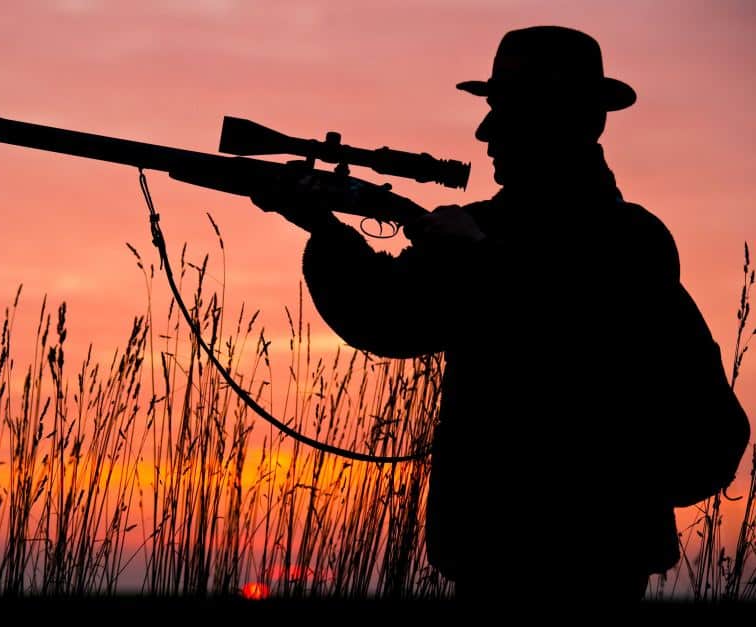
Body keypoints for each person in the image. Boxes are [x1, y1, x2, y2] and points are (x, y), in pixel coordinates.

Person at [250, 26, 691, 602]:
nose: (484, 132)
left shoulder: (566, 239)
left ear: (554, 117)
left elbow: (388, 320)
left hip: (520, 548)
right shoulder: (636, 234)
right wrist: (325, 225)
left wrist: (333, 235)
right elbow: (396, 312)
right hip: (595, 548)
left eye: (503, 110)